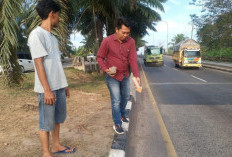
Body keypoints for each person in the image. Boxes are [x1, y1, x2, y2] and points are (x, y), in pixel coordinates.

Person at [27, 0, 75, 156]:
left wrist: (64, 84)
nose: (59, 18)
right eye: (58, 15)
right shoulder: (36, 35)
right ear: (51, 14)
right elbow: (38, 63)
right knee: (45, 122)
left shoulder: (53, 38)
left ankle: (56, 145)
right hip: (47, 89)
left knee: (57, 119)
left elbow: (56, 64)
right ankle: (46, 152)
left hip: (58, 86)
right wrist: (47, 90)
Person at [97, 17, 140, 134]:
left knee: (126, 96)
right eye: (123, 32)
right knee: (116, 100)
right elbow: (99, 57)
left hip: (125, 74)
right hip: (112, 77)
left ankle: (121, 115)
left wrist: (136, 75)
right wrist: (105, 69)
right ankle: (117, 123)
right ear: (117, 29)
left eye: (128, 33)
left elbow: (133, 59)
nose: (126, 35)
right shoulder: (107, 41)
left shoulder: (131, 42)